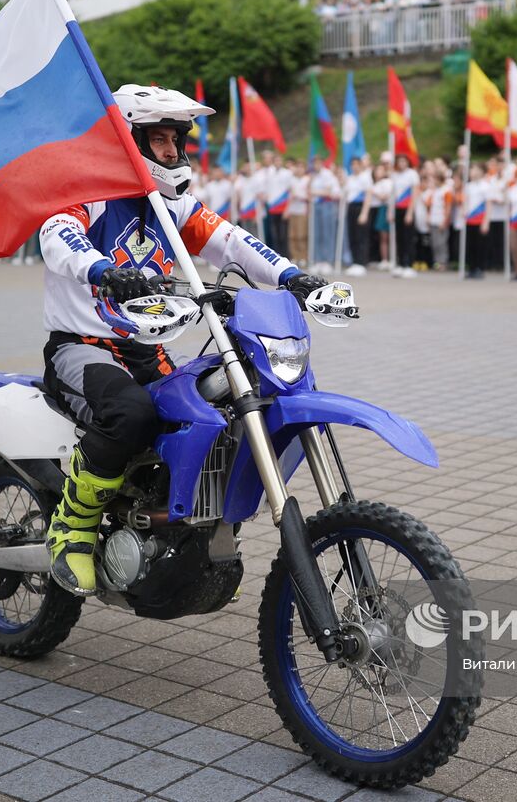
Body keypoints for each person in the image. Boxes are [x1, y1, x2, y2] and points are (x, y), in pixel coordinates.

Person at [38, 85, 326, 596]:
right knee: (132, 415)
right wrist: (101, 268)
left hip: (146, 349)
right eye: (158, 139)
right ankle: (73, 528)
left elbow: (233, 241)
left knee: (212, 414)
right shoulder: (87, 195)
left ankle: (181, 533)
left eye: (175, 140)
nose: (171, 151)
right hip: (81, 347)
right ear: (128, 141)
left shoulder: (173, 207)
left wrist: (292, 277)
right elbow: (58, 234)